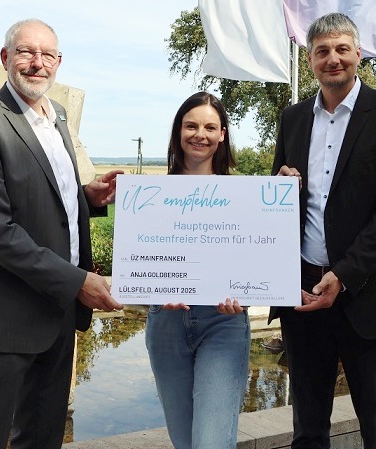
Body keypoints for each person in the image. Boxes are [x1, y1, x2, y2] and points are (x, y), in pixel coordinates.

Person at [0, 18, 123, 449]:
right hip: (6, 314)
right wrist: (78, 281)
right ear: (6, 57)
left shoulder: (56, 115)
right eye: (27, 52)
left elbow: (46, 196)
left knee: (43, 438)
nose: (37, 63)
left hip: (58, 310)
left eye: (47, 55)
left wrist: (88, 197)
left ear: (58, 62)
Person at [268, 13, 376, 449]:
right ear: (310, 60)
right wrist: (278, 186)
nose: (332, 59)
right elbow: (278, 201)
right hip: (303, 295)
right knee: (308, 431)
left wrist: (345, 274)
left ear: (358, 53)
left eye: (341, 49)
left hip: (370, 297)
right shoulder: (293, 118)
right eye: (322, 51)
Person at [145, 91, 250, 449]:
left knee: (211, 443)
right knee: (185, 441)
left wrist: (247, 294)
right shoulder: (150, 194)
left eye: (210, 127)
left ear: (222, 134)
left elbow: (253, 260)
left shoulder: (244, 196)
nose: (199, 135)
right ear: (178, 131)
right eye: (191, 126)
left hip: (223, 322)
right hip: (166, 323)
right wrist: (155, 288)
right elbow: (141, 260)